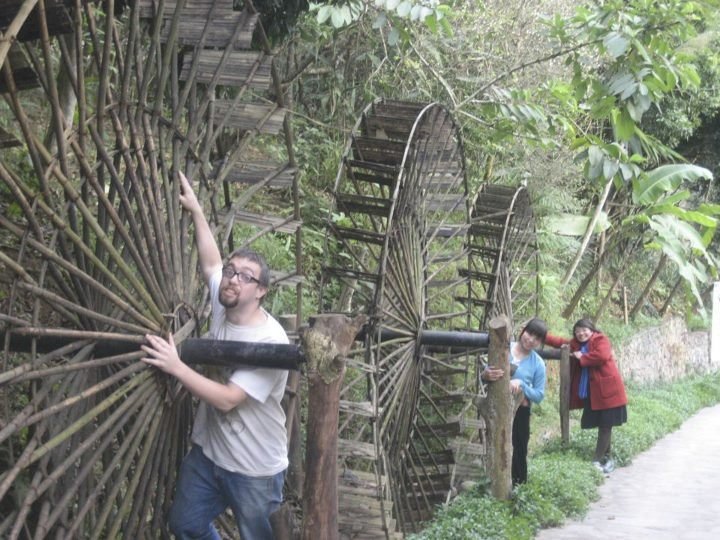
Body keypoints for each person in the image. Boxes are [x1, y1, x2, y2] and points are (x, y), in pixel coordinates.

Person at [141, 171, 289, 540]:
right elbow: (210, 263)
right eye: (232, 272)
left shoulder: (271, 341)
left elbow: (227, 400)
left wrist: (175, 366)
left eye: (246, 277)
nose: (233, 279)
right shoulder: (224, 304)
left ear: (261, 292)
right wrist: (196, 211)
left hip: (255, 467)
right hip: (210, 456)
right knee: (186, 524)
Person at [545, 318, 627, 474]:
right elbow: (560, 341)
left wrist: (581, 357)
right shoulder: (577, 344)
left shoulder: (600, 339)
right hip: (596, 393)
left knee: (605, 426)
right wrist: (542, 336)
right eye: (577, 331)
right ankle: (607, 459)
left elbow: (601, 356)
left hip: (609, 392)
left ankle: (596, 461)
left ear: (592, 330)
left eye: (584, 330)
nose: (581, 333)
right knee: (604, 425)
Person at [482, 318, 547, 486]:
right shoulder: (503, 348)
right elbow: (485, 375)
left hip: (520, 412)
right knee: (494, 446)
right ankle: (491, 487)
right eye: (530, 334)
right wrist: (485, 375)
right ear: (523, 331)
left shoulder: (538, 364)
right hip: (495, 408)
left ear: (540, 343)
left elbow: (539, 395)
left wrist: (522, 385)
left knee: (518, 452)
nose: (531, 340)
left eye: (537, 338)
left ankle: (518, 490)